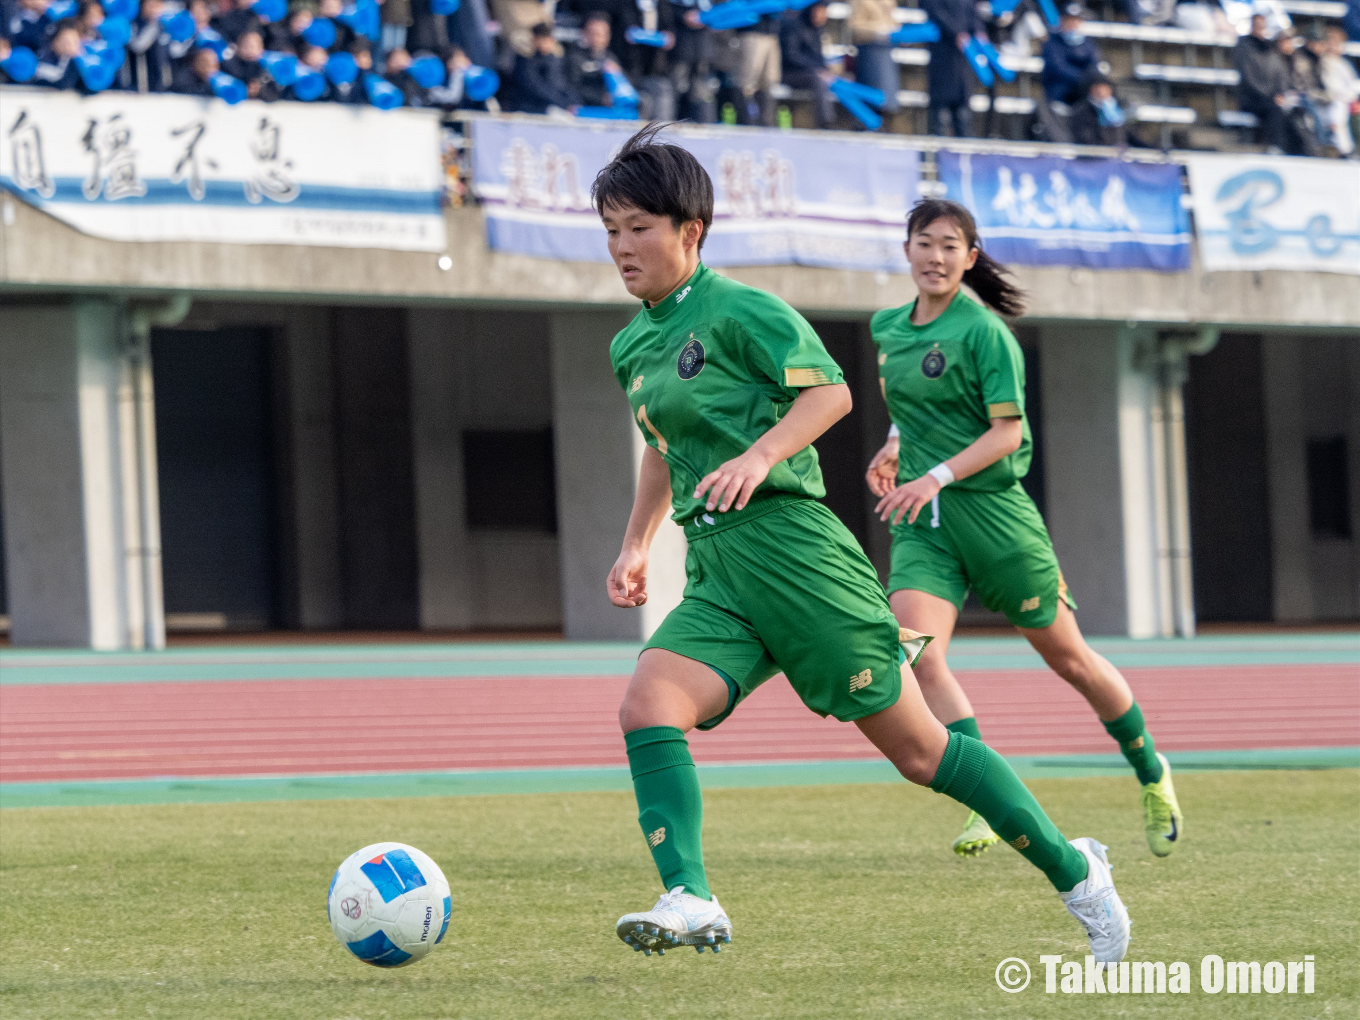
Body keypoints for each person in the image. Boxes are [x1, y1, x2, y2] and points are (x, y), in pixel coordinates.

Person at [598, 124, 1130, 964]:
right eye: (611, 230)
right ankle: (691, 894)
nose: (623, 247)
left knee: (922, 755)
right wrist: (636, 543)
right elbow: (663, 448)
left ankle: (1078, 872)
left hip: (798, 554)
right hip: (718, 568)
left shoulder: (741, 312)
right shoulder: (634, 343)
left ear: (689, 230)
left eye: (639, 228)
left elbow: (833, 395)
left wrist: (761, 453)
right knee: (647, 707)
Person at [864, 198, 1184, 862]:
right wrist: (896, 445)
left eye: (951, 245)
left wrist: (936, 476)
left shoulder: (985, 334)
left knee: (1071, 661)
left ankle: (1152, 771)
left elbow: (1005, 430)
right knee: (918, 653)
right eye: (925, 242)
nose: (936, 256)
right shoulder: (888, 328)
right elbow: (910, 403)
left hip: (997, 520)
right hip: (926, 526)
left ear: (970, 258)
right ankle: (986, 798)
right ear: (906, 250)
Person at [922, 0, 984, 137]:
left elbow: (973, 13)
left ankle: (965, 145)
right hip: (942, 49)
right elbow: (935, 12)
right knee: (941, 104)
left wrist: (979, 31)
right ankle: (938, 142)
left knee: (963, 107)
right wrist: (955, 33)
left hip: (964, 54)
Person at [1234, 13, 1292, 152]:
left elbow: (1281, 75)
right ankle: (1275, 147)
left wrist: (1279, 93)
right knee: (1274, 109)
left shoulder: (1271, 50)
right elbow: (1249, 78)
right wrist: (1270, 96)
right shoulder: (1244, 48)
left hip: (1272, 98)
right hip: (1252, 99)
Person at [780, 0, 835, 128]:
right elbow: (791, 55)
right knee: (819, 80)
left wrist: (825, 70)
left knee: (835, 81)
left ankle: (867, 121)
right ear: (811, 10)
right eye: (820, 11)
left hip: (810, 73)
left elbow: (818, 58)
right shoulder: (794, 26)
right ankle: (826, 123)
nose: (823, 16)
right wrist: (816, 69)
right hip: (791, 73)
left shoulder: (817, 30)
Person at [508, 20, 576, 112]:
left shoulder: (554, 59)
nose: (546, 43)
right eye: (542, 40)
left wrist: (572, 100)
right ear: (534, 39)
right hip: (530, 107)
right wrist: (561, 102)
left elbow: (561, 83)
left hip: (553, 105)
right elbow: (534, 86)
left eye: (547, 40)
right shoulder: (525, 59)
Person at [847, 0, 900, 117]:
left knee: (886, 91)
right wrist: (877, 30)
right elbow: (854, 25)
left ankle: (885, 118)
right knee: (871, 87)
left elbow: (892, 21)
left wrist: (895, 30)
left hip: (885, 50)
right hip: (868, 50)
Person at [1040, 3, 1100, 105]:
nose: (1072, 24)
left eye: (1075, 20)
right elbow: (1058, 68)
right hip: (1058, 91)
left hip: (1083, 91)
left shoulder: (1087, 43)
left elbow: (1093, 64)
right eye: (1069, 20)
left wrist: (1088, 80)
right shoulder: (1052, 43)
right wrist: (1082, 78)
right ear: (1061, 21)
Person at [667, 0, 715, 122]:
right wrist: (683, 16)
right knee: (677, 86)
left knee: (700, 89)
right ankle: (672, 120)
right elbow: (665, 9)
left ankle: (700, 121)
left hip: (703, 48)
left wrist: (712, 19)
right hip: (682, 46)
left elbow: (721, 8)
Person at [733, 6, 781, 125]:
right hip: (751, 32)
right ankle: (745, 121)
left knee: (770, 80)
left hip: (771, 32)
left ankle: (766, 122)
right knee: (747, 81)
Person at [567, 11, 626, 107]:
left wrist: (617, 74)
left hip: (611, 112)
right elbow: (571, 88)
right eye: (593, 33)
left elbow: (623, 87)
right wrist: (600, 98)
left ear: (608, 37)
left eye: (600, 34)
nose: (596, 39)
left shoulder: (611, 58)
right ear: (584, 33)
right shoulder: (575, 57)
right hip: (584, 109)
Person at [1319, 24, 1360, 155]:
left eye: (1336, 44)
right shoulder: (1323, 62)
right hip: (1330, 100)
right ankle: (1345, 149)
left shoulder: (1344, 64)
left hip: (1348, 99)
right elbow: (1329, 85)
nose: (1333, 47)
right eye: (1330, 43)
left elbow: (1355, 84)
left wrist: (1352, 97)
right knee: (1338, 109)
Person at [1069, 74, 1139, 146]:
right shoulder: (1082, 110)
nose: (1100, 91)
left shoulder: (1118, 108)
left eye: (1104, 87)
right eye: (1097, 88)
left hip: (1118, 154)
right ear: (1090, 90)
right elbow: (1085, 138)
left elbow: (1130, 136)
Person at [121, 0, 173, 91]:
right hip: (133, 87)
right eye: (151, 5)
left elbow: (175, 50)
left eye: (157, 5)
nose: (154, 9)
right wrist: (153, 25)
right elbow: (138, 46)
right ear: (142, 5)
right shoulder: (131, 23)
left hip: (161, 88)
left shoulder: (166, 23)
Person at [221, 28, 280, 99]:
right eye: (246, 46)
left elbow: (275, 96)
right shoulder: (227, 67)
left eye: (253, 46)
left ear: (261, 49)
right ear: (238, 48)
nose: (249, 50)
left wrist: (259, 90)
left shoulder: (268, 70)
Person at [33, 19, 83, 89]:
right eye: (66, 41)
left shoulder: (78, 62)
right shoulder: (41, 61)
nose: (69, 46)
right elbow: (62, 85)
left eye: (74, 41)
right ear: (54, 41)